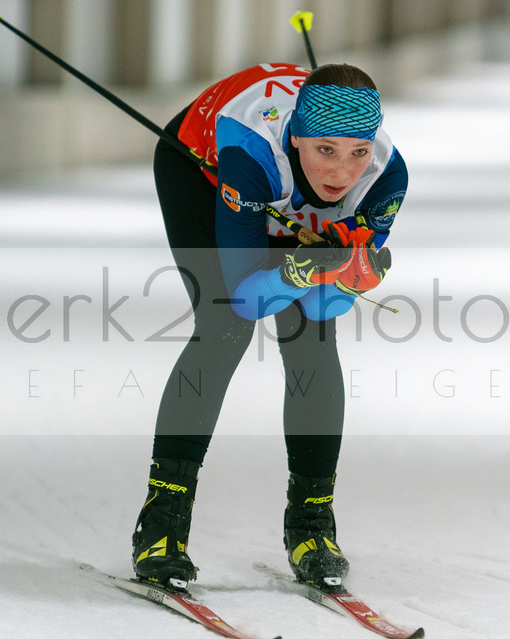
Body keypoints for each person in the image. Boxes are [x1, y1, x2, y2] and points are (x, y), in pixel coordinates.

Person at [131, 62, 407, 589]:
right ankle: (161, 524)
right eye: (325, 150)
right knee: (224, 327)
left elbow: (325, 308)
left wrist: (348, 277)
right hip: (199, 163)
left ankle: (311, 525)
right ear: (299, 138)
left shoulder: (386, 176)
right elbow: (244, 296)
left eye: (357, 152)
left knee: (311, 335)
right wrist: (303, 267)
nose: (342, 173)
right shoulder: (253, 152)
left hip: (276, 184)